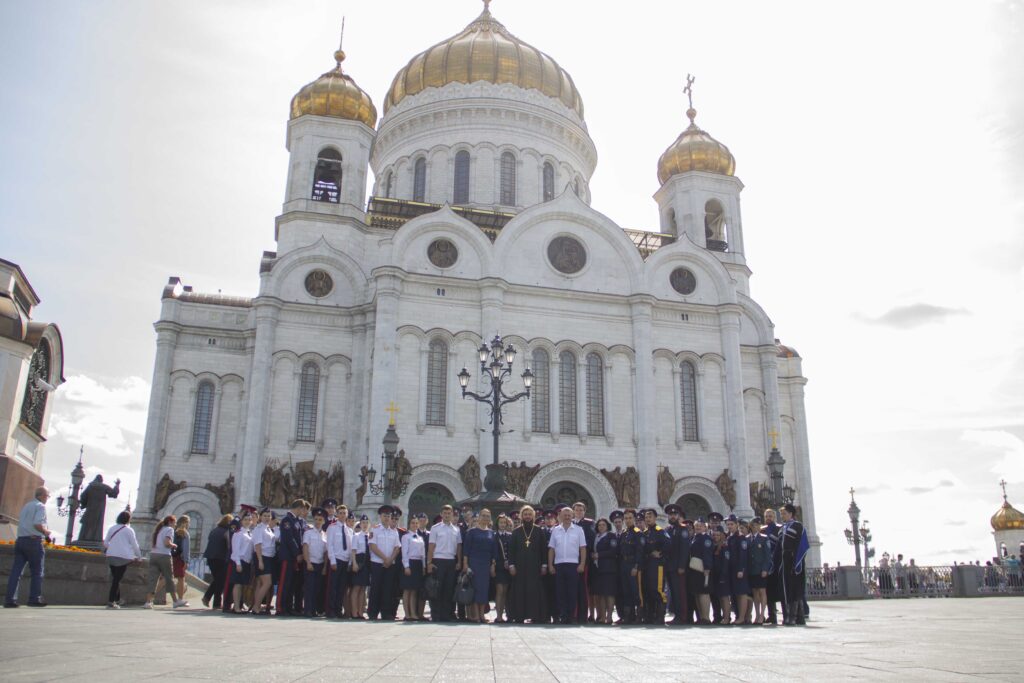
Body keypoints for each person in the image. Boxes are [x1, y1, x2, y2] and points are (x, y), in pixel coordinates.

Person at [5, 486, 53, 608]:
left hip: (20, 540)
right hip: (34, 541)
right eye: (47, 496)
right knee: (37, 572)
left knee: (16, 572)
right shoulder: (40, 506)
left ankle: (10, 599)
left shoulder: (26, 506)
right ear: (42, 496)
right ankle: (34, 599)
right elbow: (37, 524)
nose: (47, 498)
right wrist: (46, 532)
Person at [507, 505, 548, 624]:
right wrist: (511, 565)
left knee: (534, 591)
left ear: (533, 516)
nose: (527, 517)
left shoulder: (539, 531)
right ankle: (519, 616)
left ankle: (535, 616)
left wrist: (544, 565)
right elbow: (511, 550)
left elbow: (543, 549)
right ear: (521, 516)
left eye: (530, 514)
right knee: (519, 591)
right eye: (525, 514)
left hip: (535, 567)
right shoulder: (516, 531)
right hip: (519, 567)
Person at [547, 505, 587, 624]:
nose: (567, 517)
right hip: (559, 565)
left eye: (569, 515)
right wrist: (550, 565)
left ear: (572, 516)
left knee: (572, 592)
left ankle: (571, 616)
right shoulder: (555, 530)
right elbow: (551, 549)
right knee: (560, 592)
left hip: (573, 565)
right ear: (560, 516)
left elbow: (583, 548)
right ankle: (563, 615)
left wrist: (582, 564)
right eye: (565, 515)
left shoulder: (578, 530)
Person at [427, 504, 462, 622]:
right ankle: (436, 615)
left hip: (451, 561)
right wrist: (429, 562)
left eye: (449, 513)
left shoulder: (456, 529)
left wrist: (459, 561)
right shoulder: (435, 528)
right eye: (445, 513)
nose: (447, 515)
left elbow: (459, 547)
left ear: (452, 515)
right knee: (437, 588)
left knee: (448, 589)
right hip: (438, 560)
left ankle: (446, 615)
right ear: (441, 514)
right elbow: (431, 546)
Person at [145, 515, 189, 609]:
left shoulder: (158, 530)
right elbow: (166, 543)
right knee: (169, 579)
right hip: (164, 556)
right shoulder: (169, 529)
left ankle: (148, 602)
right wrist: (174, 545)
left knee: (153, 580)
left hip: (154, 555)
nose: (175, 524)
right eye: (174, 522)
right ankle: (176, 602)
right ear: (170, 522)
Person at [103, 509, 142, 608]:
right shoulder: (129, 530)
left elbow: (105, 543)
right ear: (128, 519)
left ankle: (118, 599)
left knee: (116, 579)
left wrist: (113, 548)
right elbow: (135, 545)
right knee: (116, 579)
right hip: (123, 557)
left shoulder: (112, 528)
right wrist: (139, 556)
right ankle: (111, 601)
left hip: (111, 556)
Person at [463, 508, 496, 623]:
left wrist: (493, 565)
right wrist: (465, 564)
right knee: (475, 589)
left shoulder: (491, 533)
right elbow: (466, 550)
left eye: (488, 516)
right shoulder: (471, 532)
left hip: (486, 564)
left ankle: (482, 615)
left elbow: (494, 551)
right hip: (474, 563)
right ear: (479, 517)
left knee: (484, 590)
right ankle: (476, 615)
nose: (485, 518)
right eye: (484, 515)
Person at [276, 499, 309, 616]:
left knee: (291, 583)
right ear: (299, 508)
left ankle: (289, 607)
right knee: (285, 582)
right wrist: (297, 553)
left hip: (295, 557)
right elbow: (289, 539)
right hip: (288, 556)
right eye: (302, 509)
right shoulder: (287, 520)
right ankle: (281, 607)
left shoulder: (297, 521)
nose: (303, 511)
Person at [368, 505, 401, 621]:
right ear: (380, 517)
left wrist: (390, 559)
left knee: (387, 589)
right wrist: (385, 558)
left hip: (390, 564)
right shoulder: (375, 529)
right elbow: (373, 546)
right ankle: (373, 612)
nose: (387, 518)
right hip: (377, 563)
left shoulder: (394, 532)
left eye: (388, 516)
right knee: (375, 588)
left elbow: (397, 547)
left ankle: (386, 613)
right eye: (384, 516)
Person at [779, 504, 808, 626]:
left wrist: (797, 563)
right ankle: (794, 617)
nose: (782, 516)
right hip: (784, 561)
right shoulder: (783, 528)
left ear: (791, 514)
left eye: (784, 513)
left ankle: (794, 617)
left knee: (795, 589)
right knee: (787, 588)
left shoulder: (797, 526)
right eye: (781, 514)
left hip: (794, 561)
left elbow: (802, 545)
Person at [663, 503, 690, 625]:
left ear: (678, 516)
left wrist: (682, 566)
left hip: (678, 567)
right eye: (670, 514)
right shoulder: (667, 530)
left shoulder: (683, 529)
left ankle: (682, 616)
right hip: (669, 567)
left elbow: (685, 549)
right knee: (673, 592)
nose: (672, 516)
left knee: (679, 592)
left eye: (674, 514)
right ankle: (676, 615)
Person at [326, 503, 353, 618]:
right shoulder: (332, 527)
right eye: (340, 513)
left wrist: (350, 562)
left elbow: (351, 548)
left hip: (345, 561)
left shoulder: (349, 530)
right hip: (336, 560)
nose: (342, 515)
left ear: (347, 515)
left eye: (344, 513)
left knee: (342, 587)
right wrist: (332, 561)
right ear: (337, 514)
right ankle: (331, 610)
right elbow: (329, 545)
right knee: (333, 587)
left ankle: (338, 609)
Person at [640, 508, 667, 625]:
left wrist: (660, 553)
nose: (648, 519)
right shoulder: (645, 533)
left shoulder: (660, 531)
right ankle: (650, 616)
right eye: (646, 517)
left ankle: (660, 617)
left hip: (657, 565)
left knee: (658, 590)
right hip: (646, 565)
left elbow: (668, 545)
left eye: (650, 517)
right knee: (647, 590)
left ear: (655, 518)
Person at [616, 508, 642, 625]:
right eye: (626, 518)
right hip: (624, 564)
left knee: (635, 591)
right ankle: (628, 616)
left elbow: (639, 552)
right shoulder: (624, 533)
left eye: (630, 518)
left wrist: (636, 567)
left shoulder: (638, 533)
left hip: (633, 564)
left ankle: (638, 616)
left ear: (634, 519)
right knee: (626, 591)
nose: (628, 520)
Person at [571, 501, 596, 623]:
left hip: (583, 559)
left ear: (584, 511)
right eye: (576, 510)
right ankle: (573, 613)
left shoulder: (589, 523)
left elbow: (591, 540)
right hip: (570, 559)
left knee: (583, 587)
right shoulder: (569, 523)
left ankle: (582, 615)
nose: (578, 512)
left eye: (581, 510)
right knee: (572, 586)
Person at [590, 517, 618, 624]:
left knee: (609, 593)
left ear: (607, 526)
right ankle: (602, 617)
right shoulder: (596, 537)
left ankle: (609, 617)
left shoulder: (611, 536)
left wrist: (599, 555)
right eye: (599, 525)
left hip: (608, 569)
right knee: (600, 593)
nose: (601, 527)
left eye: (603, 525)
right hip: (597, 569)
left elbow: (613, 551)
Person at [202, 514, 233, 608]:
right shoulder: (227, 531)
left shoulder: (214, 530)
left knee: (217, 579)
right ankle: (212, 600)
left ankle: (212, 600)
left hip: (210, 557)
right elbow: (229, 545)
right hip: (221, 558)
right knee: (220, 580)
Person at [302, 507, 327, 617]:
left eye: (320, 519)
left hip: (320, 564)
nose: (318, 522)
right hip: (310, 563)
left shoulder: (325, 535)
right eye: (316, 519)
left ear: (324, 521)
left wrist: (325, 567)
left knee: (317, 588)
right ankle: (307, 610)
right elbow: (305, 547)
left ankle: (314, 610)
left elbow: (325, 553)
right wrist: (308, 562)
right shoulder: (308, 533)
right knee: (309, 588)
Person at [252, 508, 277, 615]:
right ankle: (256, 607)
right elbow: (258, 545)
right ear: (260, 517)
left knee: (261, 583)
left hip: (269, 557)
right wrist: (260, 561)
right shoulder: (259, 529)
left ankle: (256, 606)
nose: (267, 518)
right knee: (267, 583)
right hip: (262, 557)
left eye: (269, 516)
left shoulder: (268, 529)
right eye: (265, 516)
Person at [688, 518, 713, 624]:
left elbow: (707, 554)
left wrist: (707, 567)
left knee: (703, 593)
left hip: (702, 569)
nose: (698, 527)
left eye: (700, 525)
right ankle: (701, 617)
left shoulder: (705, 538)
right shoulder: (695, 537)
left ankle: (706, 617)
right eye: (696, 525)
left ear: (705, 527)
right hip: (694, 569)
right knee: (697, 593)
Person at [400, 514, 426, 621]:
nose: (415, 525)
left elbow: (423, 554)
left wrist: (423, 566)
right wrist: (406, 566)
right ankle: (407, 614)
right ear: (409, 524)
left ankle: (413, 613)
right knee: (407, 590)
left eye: (416, 523)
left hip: (418, 564)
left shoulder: (420, 538)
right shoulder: (406, 537)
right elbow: (404, 553)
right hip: (410, 563)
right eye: (412, 523)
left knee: (414, 590)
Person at [747, 517, 772, 625]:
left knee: (762, 592)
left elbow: (767, 556)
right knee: (755, 593)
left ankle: (762, 615)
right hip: (752, 570)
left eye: (757, 525)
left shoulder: (764, 538)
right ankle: (757, 614)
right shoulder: (747, 538)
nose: (755, 527)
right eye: (753, 525)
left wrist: (765, 569)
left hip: (761, 569)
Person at [492, 514, 513, 623]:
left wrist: (509, 562)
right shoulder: (494, 536)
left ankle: (502, 615)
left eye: (504, 523)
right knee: (499, 590)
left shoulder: (510, 536)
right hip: (498, 566)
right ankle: (498, 616)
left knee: (505, 591)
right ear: (497, 524)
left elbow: (512, 551)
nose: (503, 524)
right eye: (501, 522)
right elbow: (493, 552)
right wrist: (493, 565)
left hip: (507, 567)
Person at [349, 515, 371, 619]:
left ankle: (360, 612)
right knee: (356, 587)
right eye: (363, 523)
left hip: (367, 562)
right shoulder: (356, 536)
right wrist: (354, 563)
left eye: (366, 523)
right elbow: (353, 551)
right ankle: (354, 612)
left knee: (363, 588)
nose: (365, 525)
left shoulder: (370, 536)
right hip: (358, 560)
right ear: (360, 524)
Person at [171, 515, 191, 600]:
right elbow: (186, 549)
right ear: (185, 523)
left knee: (166, 577)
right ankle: (180, 599)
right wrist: (186, 561)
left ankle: (150, 597)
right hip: (180, 558)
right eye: (188, 523)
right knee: (181, 578)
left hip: (171, 556)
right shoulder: (184, 533)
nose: (189, 525)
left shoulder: (173, 531)